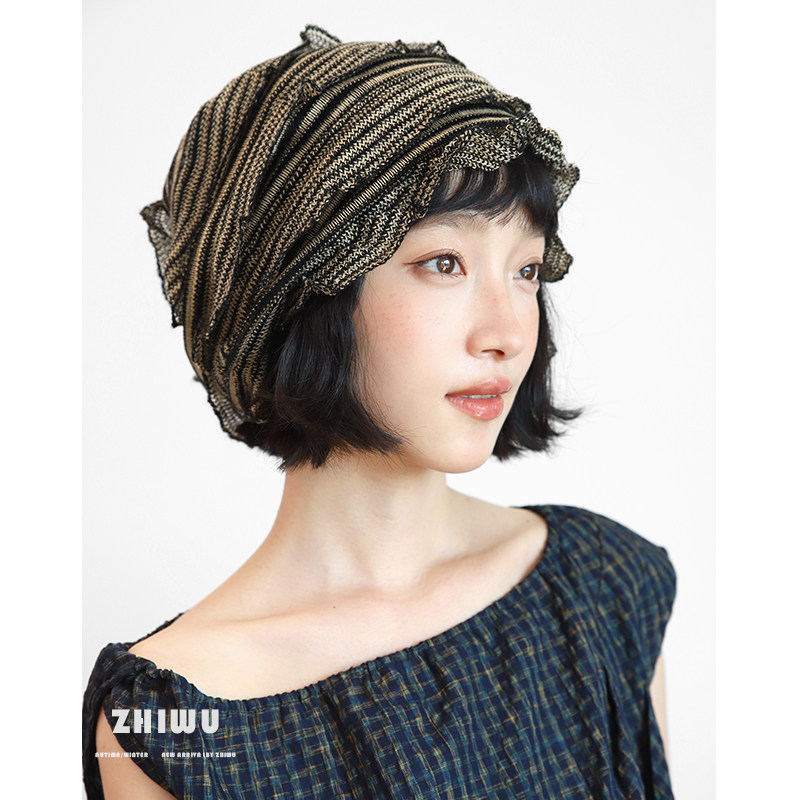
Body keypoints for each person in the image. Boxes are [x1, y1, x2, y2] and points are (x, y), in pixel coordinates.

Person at [83, 25, 677, 800]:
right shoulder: (170, 720)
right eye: (444, 263)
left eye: (527, 270)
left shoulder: (604, 587)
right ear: (299, 290)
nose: (507, 331)